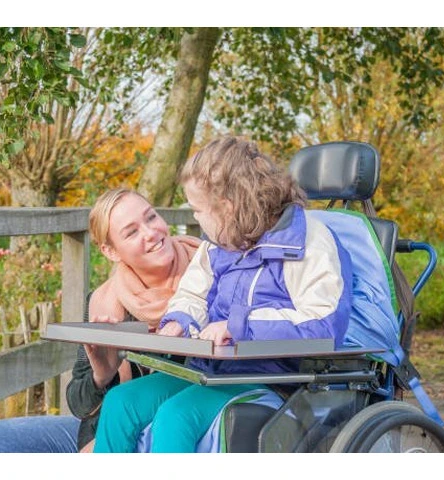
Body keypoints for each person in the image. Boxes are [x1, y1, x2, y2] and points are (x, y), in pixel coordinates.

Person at [92, 136, 354, 453]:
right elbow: (192, 295)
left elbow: (323, 322)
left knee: (176, 417)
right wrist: (179, 321)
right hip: (214, 371)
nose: (195, 219)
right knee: (122, 401)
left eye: (197, 210)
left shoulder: (309, 241)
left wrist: (237, 326)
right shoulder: (218, 243)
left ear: (226, 208)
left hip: (277, 379)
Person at [0, 188, 201, 453]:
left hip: (179, 430)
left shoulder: (210, 277)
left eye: (151, 217)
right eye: (131, 232)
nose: (151, 232)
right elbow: (79, 404)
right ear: (111, 251)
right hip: (108, 430)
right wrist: (102, 376)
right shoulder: (104, 302)